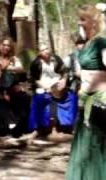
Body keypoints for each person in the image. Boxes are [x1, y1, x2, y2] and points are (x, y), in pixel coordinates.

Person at [66, 5, 106, 180]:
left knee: (96, 144)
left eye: (83, 19)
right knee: (84, 144)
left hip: (100, 102)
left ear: (93, 21)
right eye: (79, 18)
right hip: (85, 101)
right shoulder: (88, 43)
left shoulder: (101, 43)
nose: (79, 22)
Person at [0, 37, 30, 137]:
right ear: (0, 45)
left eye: (8, 45)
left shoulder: (13, 58)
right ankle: (11, 123)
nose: (6, 47)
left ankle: (22, 125)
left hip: (9, 85)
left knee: (23, 97)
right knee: (0, 100)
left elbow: (20, 68)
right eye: (4, 45)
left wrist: (8, 67)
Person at [28, 44, 78, 136]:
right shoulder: (36, 63)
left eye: (47, 48)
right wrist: (45, 87)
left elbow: (65, 71)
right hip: (43, 87)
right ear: (39, 53)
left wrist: (63, 80)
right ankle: (43, 128)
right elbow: (33, 79)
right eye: (43, 50)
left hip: (58, 86)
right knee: (46, 98)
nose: (46, 51)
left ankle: (70, 126)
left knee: (72, 97)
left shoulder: (56, 59)